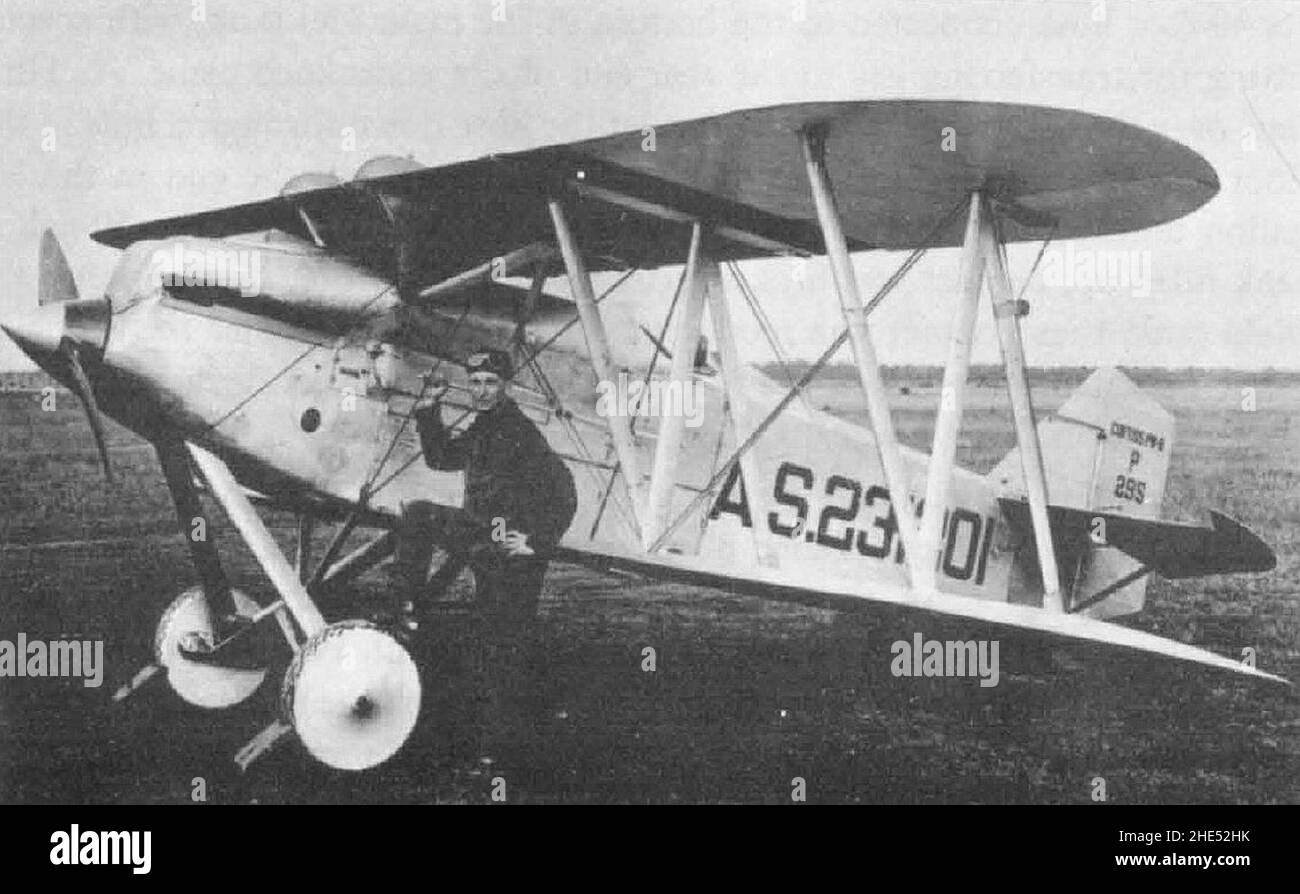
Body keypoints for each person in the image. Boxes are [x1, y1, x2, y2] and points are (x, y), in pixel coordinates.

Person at [393, 347, 577, 762]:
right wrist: (428, 408)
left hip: (511, 557)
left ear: (506, 385)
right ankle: (405, 609)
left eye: (490, 383)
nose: (481, 391)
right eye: (475, 382)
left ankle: (501, 751)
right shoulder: (485, 425)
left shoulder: (520, 431)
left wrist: (536, 543)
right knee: (418, 513)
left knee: (503, 649)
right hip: (480, 535)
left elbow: (564, 489)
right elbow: (442, 459)